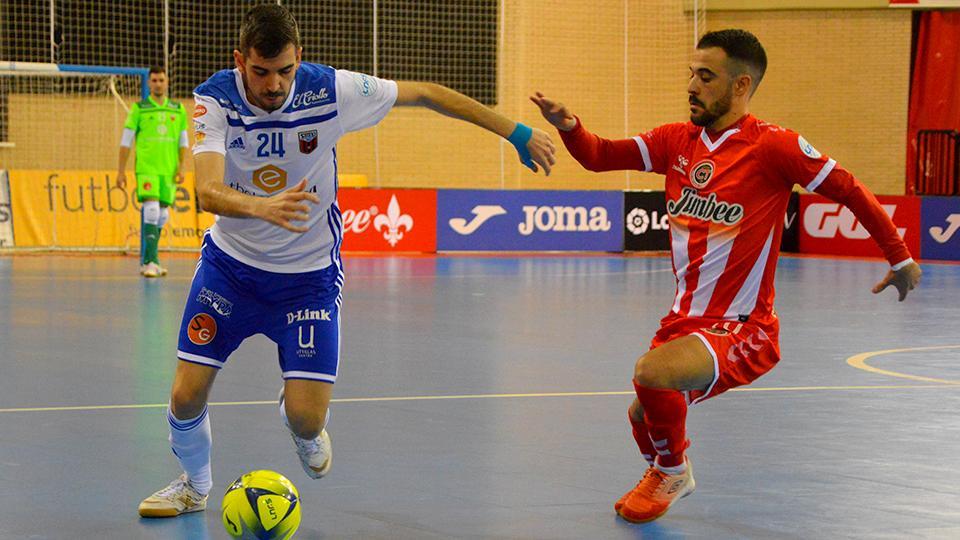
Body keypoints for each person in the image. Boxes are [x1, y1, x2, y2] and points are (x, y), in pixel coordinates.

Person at [137, 4, 555, 518]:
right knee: (184, 396)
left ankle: (299, 419)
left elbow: (425, 92)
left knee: (309, 421)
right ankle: (195, 486)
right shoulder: (214, 98)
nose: (274, 85)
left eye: (285, 71)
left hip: (308, 280)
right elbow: (205, 189)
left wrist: (514, 132)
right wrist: (263, 208)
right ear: (240, 60)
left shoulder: (330, 90)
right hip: (231, 270)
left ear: (300, 59)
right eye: (261, 71)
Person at [532, 28, 922, 524]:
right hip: (682, 321)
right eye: (690, 74)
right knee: (641, 414)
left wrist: (899, 256)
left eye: (706, 76)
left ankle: (672, 471)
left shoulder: (773, 147)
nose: (692, 86)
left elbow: (848, 188)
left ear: (741, 86)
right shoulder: (677, 140)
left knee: (651, 373)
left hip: (743, 328)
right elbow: (601, 156)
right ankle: (666, 469)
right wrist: (569, 126)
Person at [117, 65, 189, 278]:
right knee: (151, 210)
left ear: (167, 82)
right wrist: (120, 171)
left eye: (161, 80)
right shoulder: (139, 108)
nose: (158, 83)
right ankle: (150, 261)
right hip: (147, 169)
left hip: (168, 170)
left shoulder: (178, 109)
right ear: (148, 83)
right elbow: (126, 141)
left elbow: (183, 141)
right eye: (154, 80)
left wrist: (181, 167)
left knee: (163, 214)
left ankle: (152, 260)